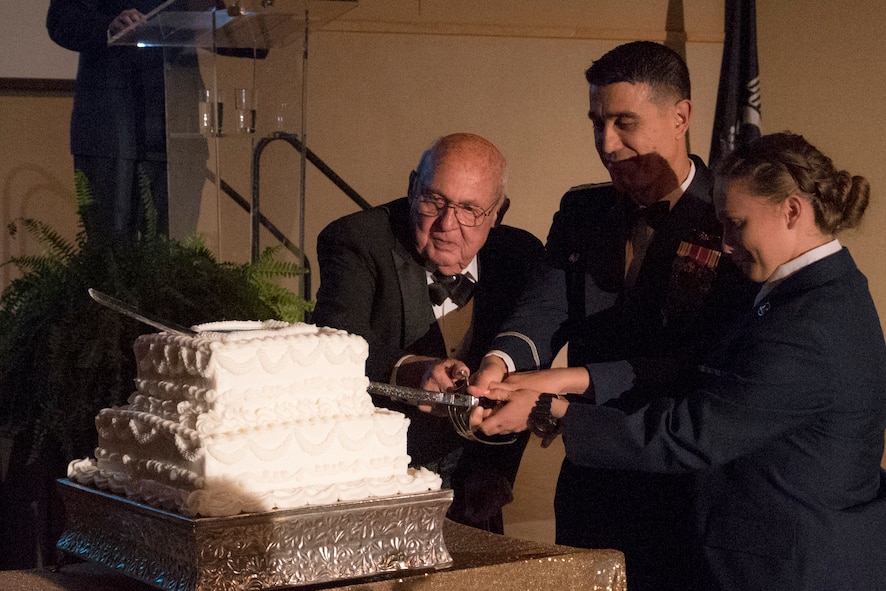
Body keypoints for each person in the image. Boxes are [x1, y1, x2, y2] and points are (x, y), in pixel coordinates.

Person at [474, 132, 886, 591]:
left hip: (792, 569)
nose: (725, 244)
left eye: (735, 224)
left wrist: (546, 410)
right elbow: (699, 369)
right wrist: (568, 378)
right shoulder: (807, 293)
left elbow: (689, 433)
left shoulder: (811, 324)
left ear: (791, 210)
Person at [456, 41, 751, 590]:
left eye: (624, 123)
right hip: (592, 481)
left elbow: (702, 358)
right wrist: (503, 360)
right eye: (597, 123)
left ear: (681, 116)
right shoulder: (582, 210)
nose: (607, 144)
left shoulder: (731, 219)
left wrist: (554, 393)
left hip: (683, 483)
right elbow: (546, 306)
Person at [312, 133, 545, 533]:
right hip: (375, 489)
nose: (447, 225)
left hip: (476, 490)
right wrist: (409, 371)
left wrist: (497, 472)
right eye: (434, 200)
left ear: (498, 213)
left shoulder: (521, 257)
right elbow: (333, 353)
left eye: (470, 209)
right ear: (411, 188)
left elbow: (526, 366)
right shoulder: (357, 241)